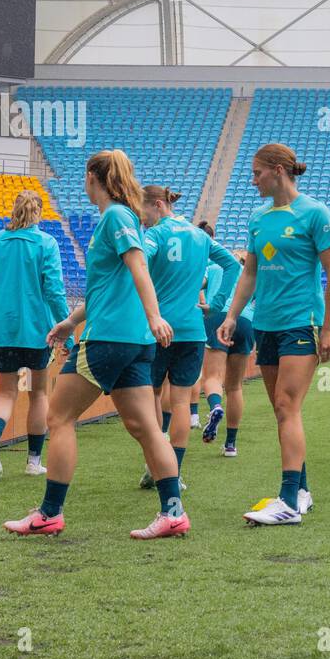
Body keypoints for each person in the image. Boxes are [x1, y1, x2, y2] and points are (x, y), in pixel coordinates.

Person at [3, 149, 187, 540]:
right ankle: (173, 513)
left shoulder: (116, 216)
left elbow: (138, 266)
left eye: (84, 178)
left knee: (59, 417)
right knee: (145, 426)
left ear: (92, 177)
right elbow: (109, 286)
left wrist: (155, 316)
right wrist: (70, 321)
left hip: (111, 338)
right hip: (132, 340)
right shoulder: (122, 217)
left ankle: (50, 513)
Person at [219, 144, 330, 526]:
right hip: (265, 326)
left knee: (287, 405)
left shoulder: (315, 213)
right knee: (281, 410)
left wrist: (328, 328)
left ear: (277, 170)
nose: (252, 180)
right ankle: (301, 491)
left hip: (300, 324)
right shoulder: (258, 218)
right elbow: (250, 273)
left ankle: (287, 500)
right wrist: (232, 314)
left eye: (257, 173)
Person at [138, 186, 239, 490]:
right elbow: (233, 265)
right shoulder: (200, 236)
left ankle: (155, 465)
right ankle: (175, 472)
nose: (143, 220)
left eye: (144, 213)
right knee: (182, 402)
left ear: (157, 205)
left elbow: (138, 260)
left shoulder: (155, 234)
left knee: (153, 396)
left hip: (157, 329)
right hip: (193, 329)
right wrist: (218, 305)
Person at [0, 190, 70, 480]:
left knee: (5, 393)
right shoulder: (46, 243)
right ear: (38, 213)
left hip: (2, 331)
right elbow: (54, 292)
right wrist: (67, 330)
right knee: (38, 394)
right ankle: (33, 461)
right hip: (38, 332)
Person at [201, 247, 252, 457]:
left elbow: (195, 284)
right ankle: (231, 444)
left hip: (218, 315)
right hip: (246, 320)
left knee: (212, 377)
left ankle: (215, 406)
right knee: (235, 386)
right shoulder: (251, 273)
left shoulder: (213, 268)